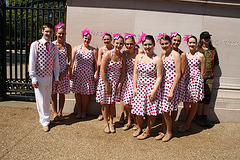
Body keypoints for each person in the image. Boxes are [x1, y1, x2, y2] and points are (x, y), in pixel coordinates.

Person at [29, 23, 60, 132]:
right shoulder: (35, 44)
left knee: (47, 99)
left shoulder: (53, 46)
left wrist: (56, 77)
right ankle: (45, 121)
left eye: (50, 32)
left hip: (49, 77)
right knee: (41, 99)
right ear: (42, 31)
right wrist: (33, 77)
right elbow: (32, 61)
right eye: (46, 31)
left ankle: (44, 118)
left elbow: (56, 63)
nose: (48, 33)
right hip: (39, 76)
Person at [131, 34, 163, 140]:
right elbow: (135, 73)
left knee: (151, 111)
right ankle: (139, 128)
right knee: (139, 111)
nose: (147, 47)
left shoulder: (157, 59)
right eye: (145, 45)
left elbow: (159, 77)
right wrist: (134, 87)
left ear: (153, 45)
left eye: (149, 44)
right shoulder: (138, 57)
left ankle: (148, 130)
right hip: (140, 88)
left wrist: (154, 91)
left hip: (151, 89)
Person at [96, 33, 126, 133]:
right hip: (106, 81)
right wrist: (107, 85)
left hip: (116, 82)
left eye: (121, 43)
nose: (119, 45)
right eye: (117, 43)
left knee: (112, 103)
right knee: (105, 103)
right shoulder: (108, 54)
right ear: (114, 43)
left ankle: (111, 122)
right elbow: (102, 70)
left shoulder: (122, 56)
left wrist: (119, 85)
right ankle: (105, 123)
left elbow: (123, 72)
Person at [156, 34, 181, 142]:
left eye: (166, 43)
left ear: (170, 43)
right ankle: (163, 129)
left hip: (171, 85)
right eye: (162, 44)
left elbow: (178, 74)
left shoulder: (175, 55)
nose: (164, 45)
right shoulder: (162, 54)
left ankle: (169, 132)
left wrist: (171, 90)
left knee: (166, 110)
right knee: (163, 110)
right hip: (163, 85)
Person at [178, 35, 205, 132]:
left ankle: (187, 124)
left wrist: (199, 83)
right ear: (187, 43)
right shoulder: (185, 55)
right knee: (185, 103)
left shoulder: (200, 55)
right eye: (190, 42)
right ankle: (187, 121)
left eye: (194, 42)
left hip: (195, 80)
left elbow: (202, 71)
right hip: (186, 80)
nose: (192, 44)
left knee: (194, 102)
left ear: (196, 43)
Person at [70, 28, 98, 119]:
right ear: (82, 38)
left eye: (89, 39)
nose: (87, 40)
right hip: (77, 73)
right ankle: (79, 110)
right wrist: (70, 73)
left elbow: (97, 63)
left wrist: (96, 73)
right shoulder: (76, 48)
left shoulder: (93, 50)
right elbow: (72, 61)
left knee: (85, 94)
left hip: (88, 74)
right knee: (78, 93)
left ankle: (84, 111)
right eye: (85, 38)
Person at [120, 33, 144, 130]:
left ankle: (136, 122)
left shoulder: (140, 52)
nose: (129, 46)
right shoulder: (125, 53)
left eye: (131, 44)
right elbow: (124, 69)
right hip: (127, 79)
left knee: (135, 102)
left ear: (134, 43)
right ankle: (129, 121)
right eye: (127, 44)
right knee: (126, 103)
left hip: (138, 79)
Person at [196, 31, 219, 128]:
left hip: (209, 77)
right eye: (205, 38)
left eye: (208, 37)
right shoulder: (198, 50)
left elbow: (216, 62)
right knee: (200, 98)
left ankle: (204, 117)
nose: (207, 39)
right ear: (201, 39)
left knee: (207, 98)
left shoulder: (213, 50)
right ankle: (199, 117)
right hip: (199, 77)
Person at [51, 22, 72, 122]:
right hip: (52, 73)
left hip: (63, 74)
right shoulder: (51, 45)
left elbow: (70, 61)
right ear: (56, 33)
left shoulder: (68, 46)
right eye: (59, 33)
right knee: (53, 93)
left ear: (65, 34)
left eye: (63, 33)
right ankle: (55, 112)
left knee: (62, 93)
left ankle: (60, 112)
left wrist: (65, 73)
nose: (61, 35)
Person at [170, 32, 187, 127]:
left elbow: (182, 71)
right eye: (174, 40)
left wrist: (174, 84)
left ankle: (171, 125)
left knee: (174, 105)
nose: (176, 42)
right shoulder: (165, 52)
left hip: (177, 83)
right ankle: (166, 125)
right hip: (165, 82)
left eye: (178, 41)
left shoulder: (182, 54)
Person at [97, 32, 114, 121]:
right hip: (103, 74)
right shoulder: (101, 49)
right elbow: (99, 62)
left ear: (111, 40)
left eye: (108, 39)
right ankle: (102, 113)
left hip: (113, 75)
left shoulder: (115, 48)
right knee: (103, 96)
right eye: (105, 39)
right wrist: (107, 61)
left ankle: (110, 117)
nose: (106, 41)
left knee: (111, 98)